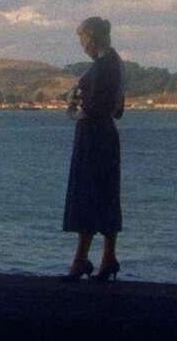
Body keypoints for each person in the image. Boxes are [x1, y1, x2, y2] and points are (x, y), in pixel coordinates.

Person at [60, 16, 125, 282]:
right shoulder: (115, 63)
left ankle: (83, 260)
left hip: (93, 137)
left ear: (92, 37)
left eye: (82, 38)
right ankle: (105, 258)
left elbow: (96, 108)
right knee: (105, 194)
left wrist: (74, 111)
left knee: (88, 193)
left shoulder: (104, 65)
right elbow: (118, 110)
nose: (81, 44)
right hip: (105, 135)